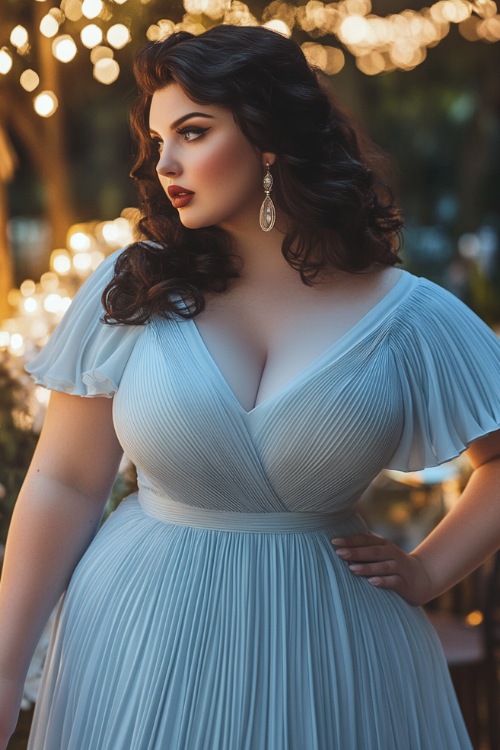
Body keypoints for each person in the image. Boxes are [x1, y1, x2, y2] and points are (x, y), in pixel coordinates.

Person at [1, 25, 499, 750]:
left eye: (193, 132)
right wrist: (6, 664)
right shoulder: (136, 285)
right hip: (139, 637)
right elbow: (65, 482)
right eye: (157, 139)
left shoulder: (410, 314)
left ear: (270, 139)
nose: (165, 162)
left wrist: (429, 571)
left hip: (334, 646)